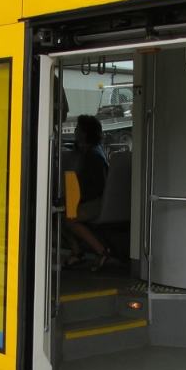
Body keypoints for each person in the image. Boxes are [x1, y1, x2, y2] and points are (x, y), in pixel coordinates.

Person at [62, 114, 111, 272]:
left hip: (96, 201)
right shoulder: (88, 150)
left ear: (84, 133)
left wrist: (81, 200)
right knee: (61, 216)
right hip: (89, 199)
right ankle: (77, 253)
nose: (75, 132)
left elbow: (99, 185)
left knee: (70, 219)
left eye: (77, 129)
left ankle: (100, 250)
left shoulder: (93, 156)